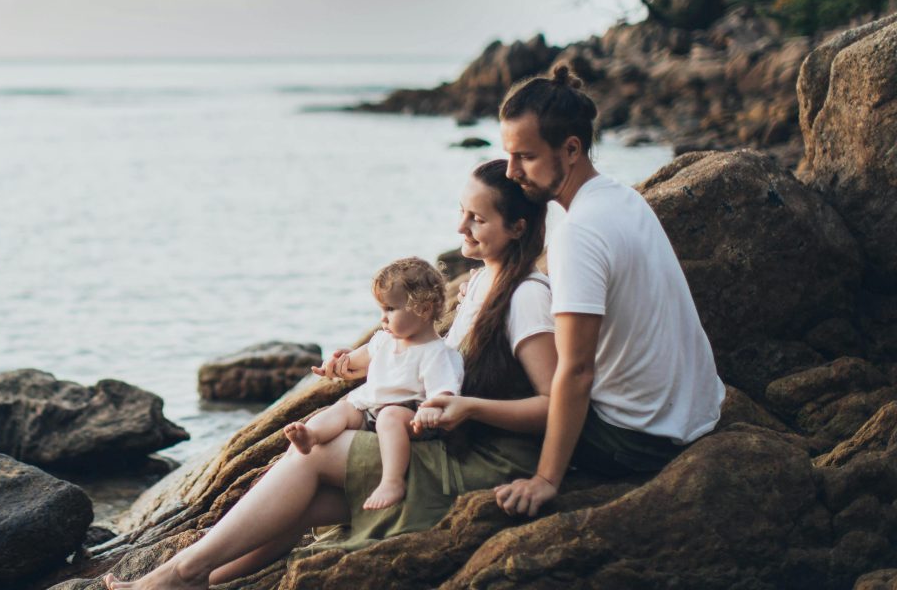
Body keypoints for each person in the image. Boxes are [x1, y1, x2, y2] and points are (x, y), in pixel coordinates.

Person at [105, 160, 556, 590]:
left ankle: (179, 573)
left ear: (517, 228)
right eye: (462, 212)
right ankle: (204, 580)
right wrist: (364, 364)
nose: (460, 226)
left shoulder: (526, 299)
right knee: (304, 504)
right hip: (449, 440)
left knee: (314, 455)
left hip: (489, 459)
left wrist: (468, 407)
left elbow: (554, 408)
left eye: (476, 219)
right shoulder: (479, 282)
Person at [491, 64, 725, 519]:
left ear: (571, 149)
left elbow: (576, 372)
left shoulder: (577, 233)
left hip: (639, 440)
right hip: (696, 415)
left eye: (526, 156)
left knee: (499, 379)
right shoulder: (620, 197)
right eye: (508, 155)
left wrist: (545, 480)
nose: (511, 171)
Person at [282, 257, 464, 511]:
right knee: (344, 408)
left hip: (412, 418)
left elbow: (444, 391)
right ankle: (312, 436)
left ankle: (392, 481)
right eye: (381, 310)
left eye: (390, 309)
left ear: (423, 309)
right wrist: (334, 365)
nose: (383, 319)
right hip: (372, 410)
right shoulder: (385, 340)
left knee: (390, 416)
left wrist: (431, 409)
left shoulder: (435, 353)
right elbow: (356, 359)